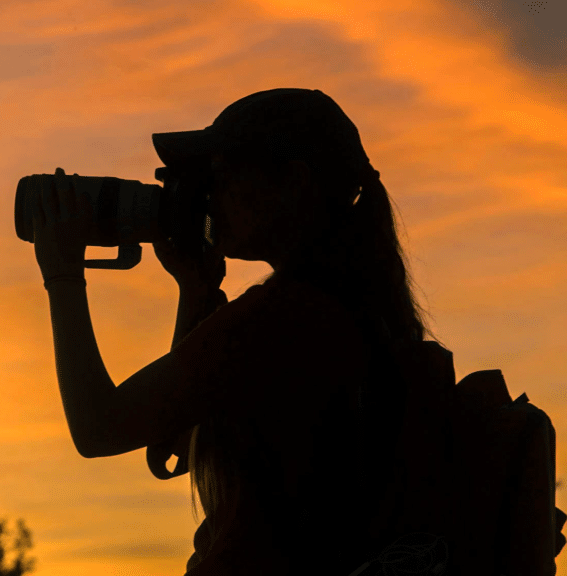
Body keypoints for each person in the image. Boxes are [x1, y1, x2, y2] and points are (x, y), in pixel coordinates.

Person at [149, 88, 446, 574]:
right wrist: (194, 290)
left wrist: (61, 267)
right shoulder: (356, 316)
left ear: (293, 183)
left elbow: (98, 426)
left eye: (223, 177)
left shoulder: (281, 318)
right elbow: (176, 443)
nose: (210, 198)